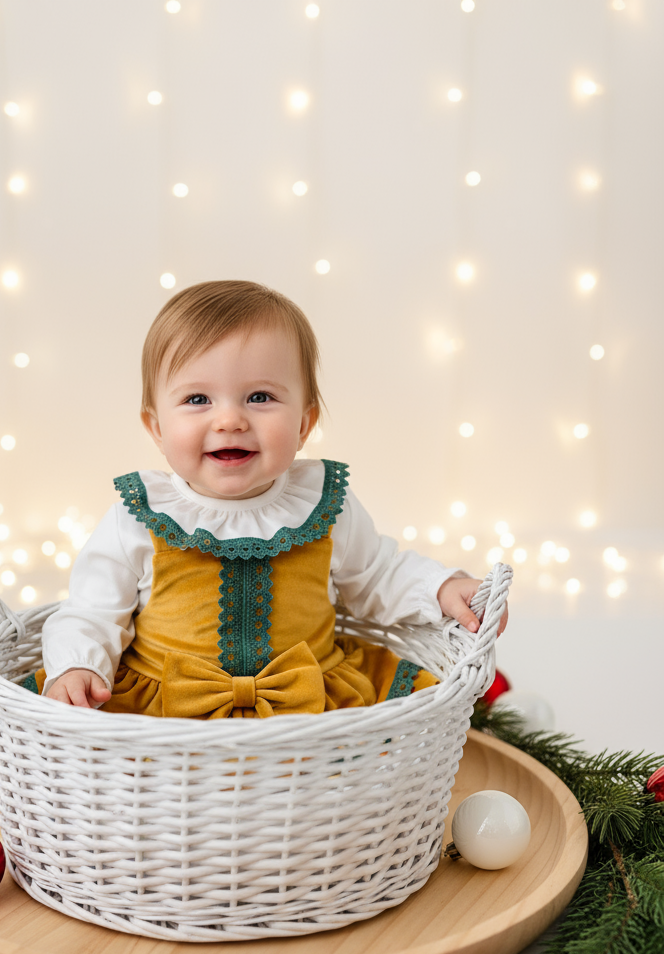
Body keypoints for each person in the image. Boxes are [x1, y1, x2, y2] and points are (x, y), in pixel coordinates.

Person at [38, 280, 508, 718]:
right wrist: (78, 665)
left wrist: (441, 588)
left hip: (309, 705)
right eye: (198, 400)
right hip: (168, 714)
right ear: (157, 428)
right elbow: (92, 612)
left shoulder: (323, 506)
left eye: (260, 397)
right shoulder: (138, 517)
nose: (230, 420)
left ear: (304, 424)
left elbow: (378, 575)